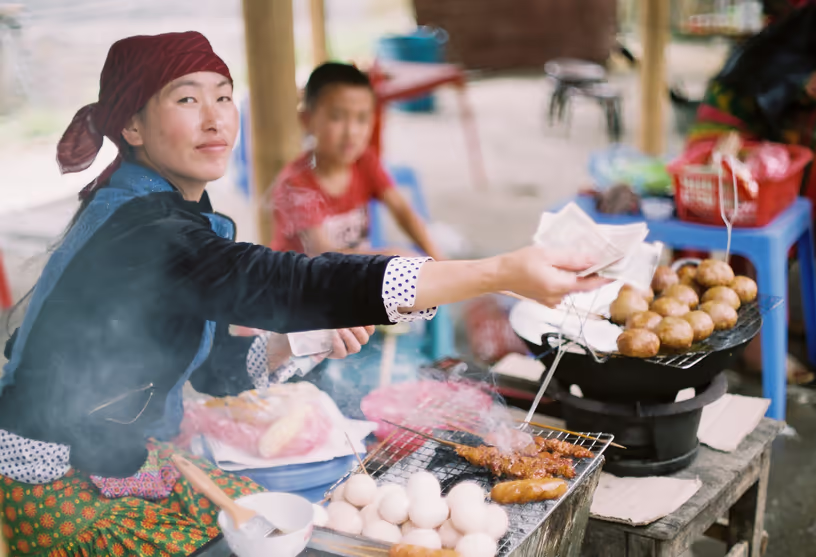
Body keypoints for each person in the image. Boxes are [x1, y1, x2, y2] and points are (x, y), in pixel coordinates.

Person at [0, 32, 605, 556]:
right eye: (187, 99)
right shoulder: (143, 231)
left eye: (223, 96)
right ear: (131, 125)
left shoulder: (167, 210)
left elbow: (209, 369)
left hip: (123, 450)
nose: (216, 118)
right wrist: (500, 270)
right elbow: (286, 279)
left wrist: (298, 341)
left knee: (277, 521)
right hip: (56, 475)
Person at [690, 0, 816, 257]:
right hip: (729, 116)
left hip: (732, 104)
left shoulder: (805, 21)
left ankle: (808, 239)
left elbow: (779, 75)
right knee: (720, 200)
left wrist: (805, 90)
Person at [270, 62, 442, 259]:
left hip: (349, 277)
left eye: (362, 118)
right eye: (337, 117)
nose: (351, 132)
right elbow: (322, 255)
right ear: (307, 120)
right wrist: (390, 257)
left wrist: (440, 261)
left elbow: (403, 212)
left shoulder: (364, 161)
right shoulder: (295, 184)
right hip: (300, 285)